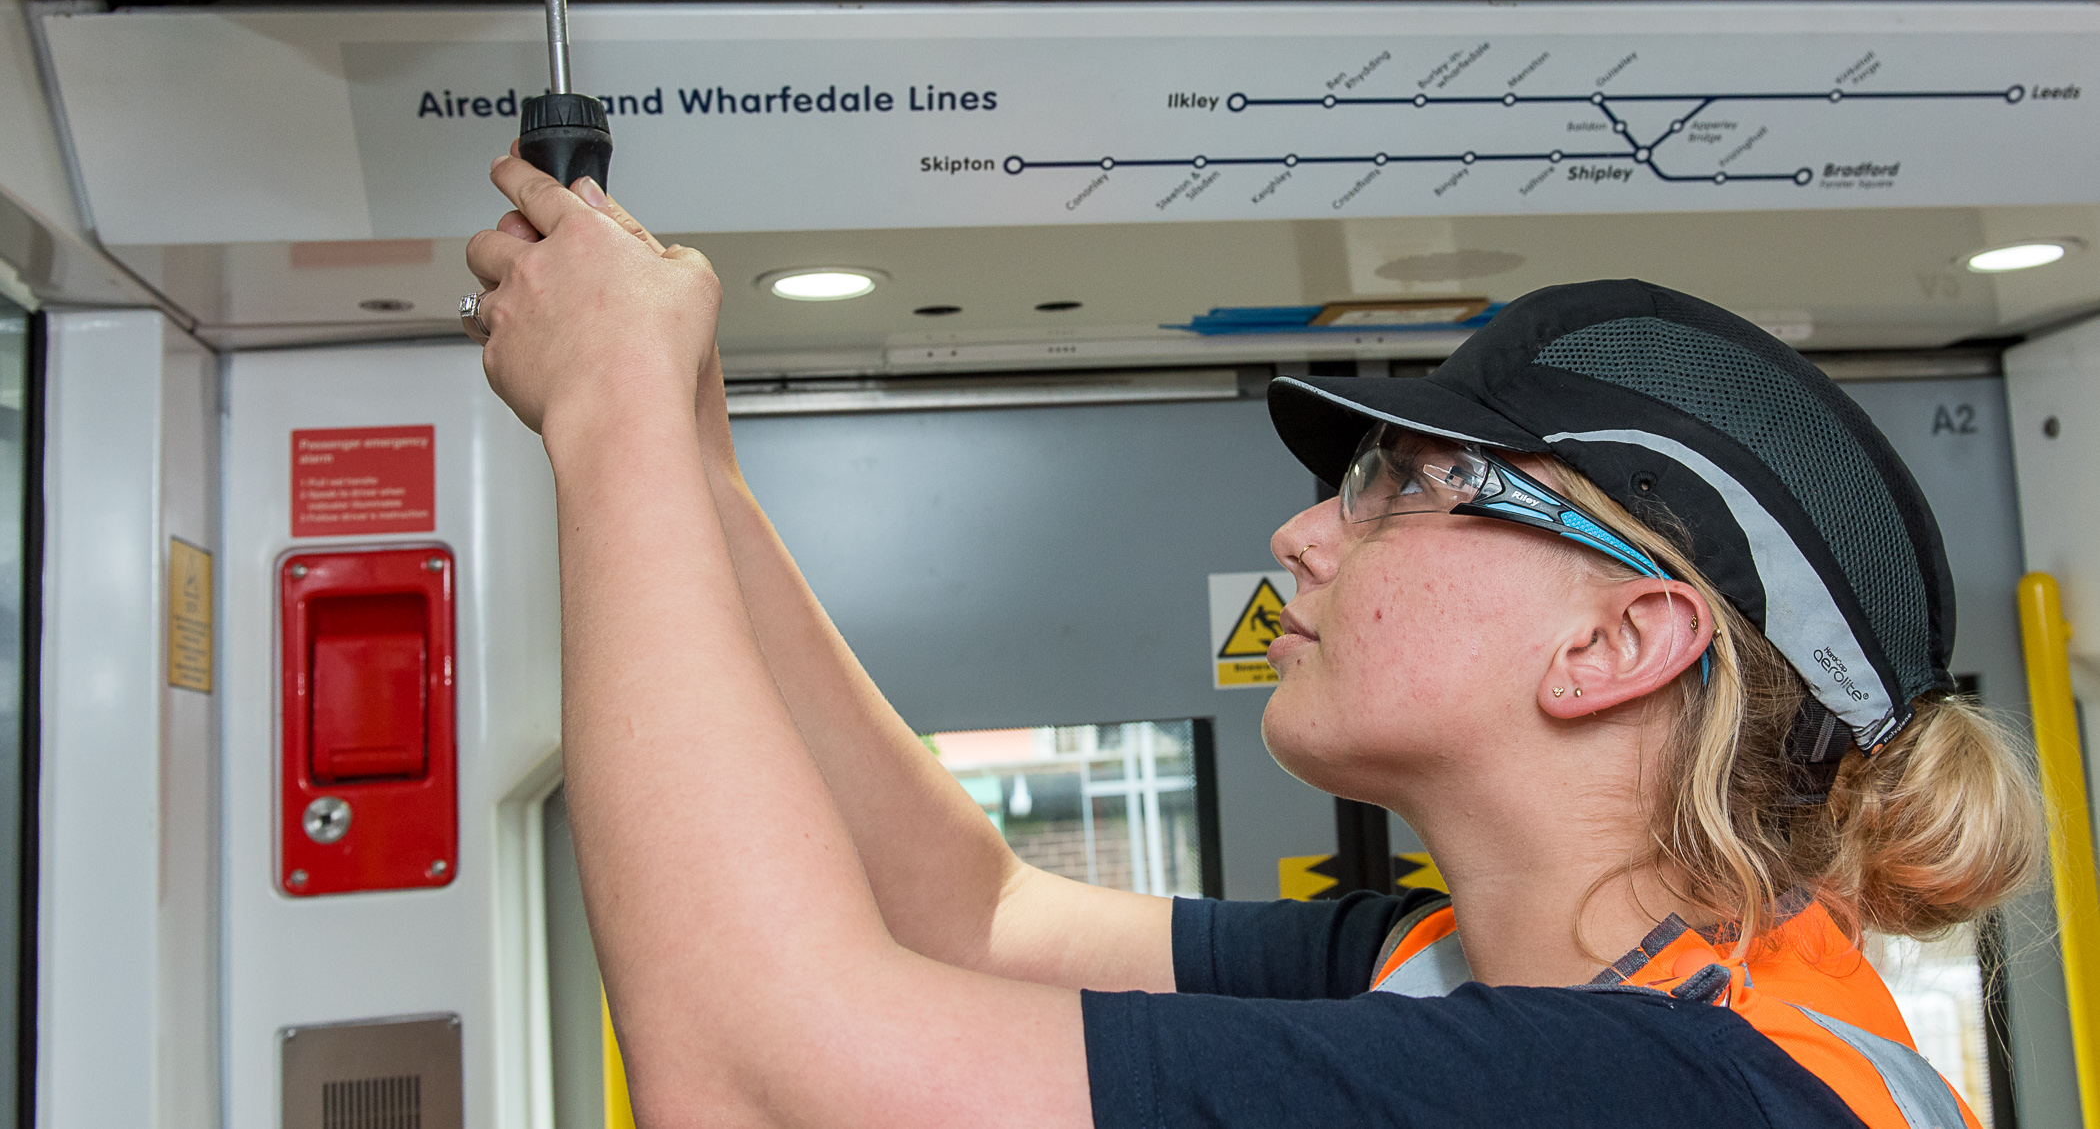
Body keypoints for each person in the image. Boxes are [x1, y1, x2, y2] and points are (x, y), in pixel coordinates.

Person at [464, 154, 2044, 1129]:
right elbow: (971, 916)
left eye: (1405, 484)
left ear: (1620, 635)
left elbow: (755, 1076)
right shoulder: (1445, 967)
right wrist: (695, 461)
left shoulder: (1674, 1092)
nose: (1302, 534)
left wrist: (608, 416)